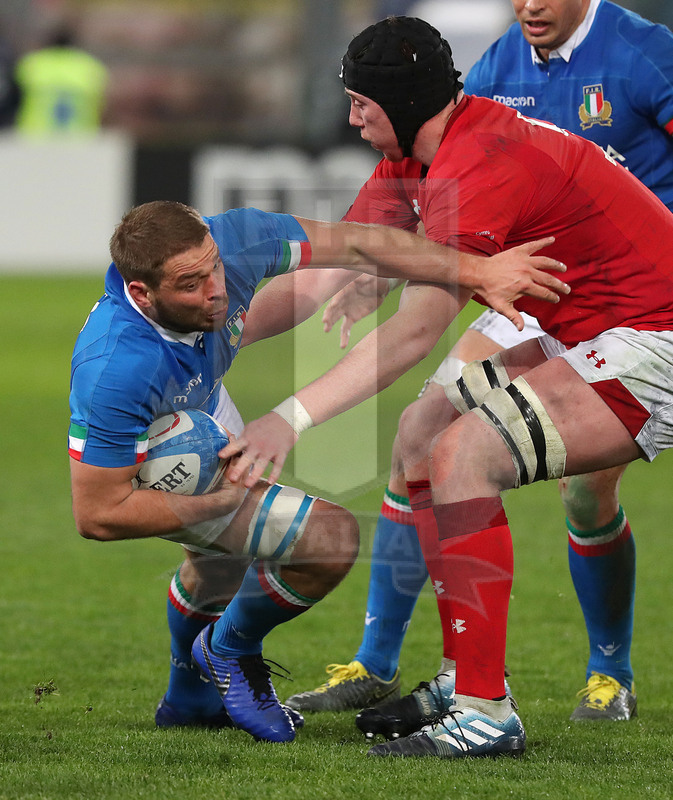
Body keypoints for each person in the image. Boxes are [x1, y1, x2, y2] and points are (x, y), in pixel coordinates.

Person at [220, 15, 673, 759]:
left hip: (652, 340)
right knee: (421, 435)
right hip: (586, 330)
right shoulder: (415, 155)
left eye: (360, 102)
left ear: (398, 103)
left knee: (466, 455)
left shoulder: (476, 163)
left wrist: (287, 419)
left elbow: (409, 336)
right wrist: (207, 337)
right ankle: (466, 672)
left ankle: (485, 712)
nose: (350, 116)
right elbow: (325, 274)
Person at [68, 200, 562, 743]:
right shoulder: (116, 370)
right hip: (154, 451)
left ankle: (188, 699)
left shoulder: (234, 241)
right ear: (141, 294)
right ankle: (228, 649)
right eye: (191, 284)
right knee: (329, 538)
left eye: (214, 267)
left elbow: (355, 241)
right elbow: (96, 513)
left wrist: (476, 270)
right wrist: (221, 501)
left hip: (202, 409)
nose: (216, 288)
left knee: (219, 567)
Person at [15, 24, 108, 135]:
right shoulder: (90, 65)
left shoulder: (32, 64)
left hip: (35, 135)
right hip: (80, 136)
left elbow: (14, 97)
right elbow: (102, 101)